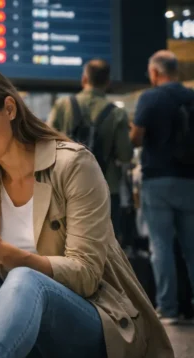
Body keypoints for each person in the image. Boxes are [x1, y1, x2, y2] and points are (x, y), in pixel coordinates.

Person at [0, 64, 173, 358]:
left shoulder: (73, 165)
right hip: (14, 327)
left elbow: (86, 275)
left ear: (9, 109)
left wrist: (2, 252)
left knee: (24, 278)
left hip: (87, 320)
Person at [130, 50, 194, 325]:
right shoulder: (191, 96)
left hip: (157, 180)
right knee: (192, 246)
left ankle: (167, 308)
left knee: (161, 246)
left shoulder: (150, 97)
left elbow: (136, 138)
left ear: (155, 73)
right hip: (190, 180)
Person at [48, 59, 133, 243]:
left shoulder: (63, 105)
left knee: (67, 244)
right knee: (107, 245)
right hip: (107, 188)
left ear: (84, 79)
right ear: (107, 82)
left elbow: (45, 143)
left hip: (66, 186)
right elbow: (125, 154)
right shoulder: (116, 113)